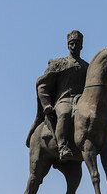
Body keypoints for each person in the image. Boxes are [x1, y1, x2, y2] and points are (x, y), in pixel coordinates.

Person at [33, 30, 88, 161]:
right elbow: (43, 85)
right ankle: (62, 146)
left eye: (77, 44)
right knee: (65, 113)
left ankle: (105, 146)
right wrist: (46, 104)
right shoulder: (59, 63)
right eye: (72, 44)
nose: (74, 47)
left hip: (81, 101)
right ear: (68, 45)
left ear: (81, 46)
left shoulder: (87, 66)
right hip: (63, 100)